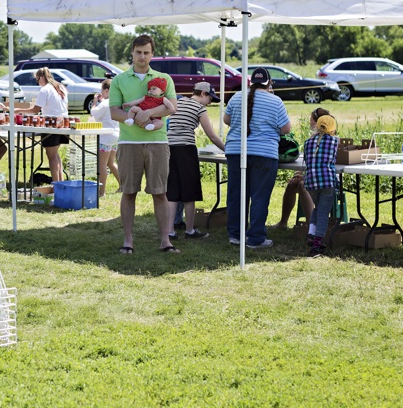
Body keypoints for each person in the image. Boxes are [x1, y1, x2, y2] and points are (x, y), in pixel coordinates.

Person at [109, 34, 178, 254]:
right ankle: (128, 240)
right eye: (138, 52)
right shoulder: (119, 80)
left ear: (152, 54)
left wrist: (147, 113)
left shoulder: (163, 78)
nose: (142, 56)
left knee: (160, 192)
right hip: (129, 142)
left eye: (146, 52)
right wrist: (132, 117)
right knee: (129, 192)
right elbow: (114, 111)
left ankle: (165, 241)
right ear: (132, 52)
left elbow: (171, 106)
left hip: (157, 141)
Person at [222, 66, 292, 248]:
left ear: (251, 82)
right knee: (259, 197)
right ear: (269, 83)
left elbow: (226, 120)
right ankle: (255, 238)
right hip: (264, 153)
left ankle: (235, 235)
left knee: (236, 195)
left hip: (236, 150)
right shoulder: (275, 101)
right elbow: (286, 129)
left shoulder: (237, 97)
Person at [166, 81, 226, 241]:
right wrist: (227, 149)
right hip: (186, 150)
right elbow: (211, 135)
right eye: (210, 99)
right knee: (189, 192)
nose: (210, 102)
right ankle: (190, 230)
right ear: (203, 94)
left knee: (172, 192)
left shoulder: (178, 101)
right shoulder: (200, 108)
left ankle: (170, 231)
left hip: (169, 148)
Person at [270, 107, 330, 231]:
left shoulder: (328, 141)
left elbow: (322, 168)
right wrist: (300, 173)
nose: (309, 123)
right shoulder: (312, 140)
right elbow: (311, 164)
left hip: (325, 180)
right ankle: (283, 222)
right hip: (313, 177)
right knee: (293, 184)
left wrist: (304, 177)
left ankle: (311, 227)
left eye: (311, 120)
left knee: (303, 185)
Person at [16, 67, 69, 183]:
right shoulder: (60, 87)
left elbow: (35, 109)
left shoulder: (45, 89)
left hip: (52, 123)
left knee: (51, 156)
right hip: (64, 122)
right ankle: (61, 183)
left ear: (41, 77)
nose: (37, 82)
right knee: (55, 154)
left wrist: (17, 110)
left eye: (37, 80)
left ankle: (56, 185)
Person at [302, 113, 339, 256]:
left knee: (317, 209)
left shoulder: (307, 142)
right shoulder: (334, 141)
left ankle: (311, 234)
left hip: (311, 181)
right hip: (327, 181)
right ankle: (316, 245)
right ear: (332, 129)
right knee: (324, 212)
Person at [90, 78, 120, 197]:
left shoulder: (105, 103)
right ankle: (122, 185)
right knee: (111, 163)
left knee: (102, 164)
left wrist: (94, 102)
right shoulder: (116, 101)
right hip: (115, 135)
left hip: (105, 136)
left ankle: (101, 192)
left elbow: (95, 114)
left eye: (102, 91)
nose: (101, 93)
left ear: (106, 90)